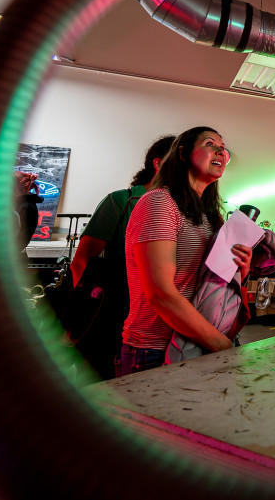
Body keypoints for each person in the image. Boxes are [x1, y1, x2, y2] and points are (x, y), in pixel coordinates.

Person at [117, 127, 252, 376]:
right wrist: (221, 344)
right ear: (182, 154)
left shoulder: (209, 215)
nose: (221, 150)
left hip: (202, 344)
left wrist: (240, 269)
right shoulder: (159, 202)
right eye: (210, 144)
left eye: (224, 148)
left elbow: (213, 285)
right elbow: (160, 294)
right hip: (155, 350)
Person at [65, 135, 175, 381]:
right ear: (158, 164)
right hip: (113, 312)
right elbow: (81, 260)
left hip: (160, 319)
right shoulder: (121, 201)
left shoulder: (182, 208)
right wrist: (88, 311)